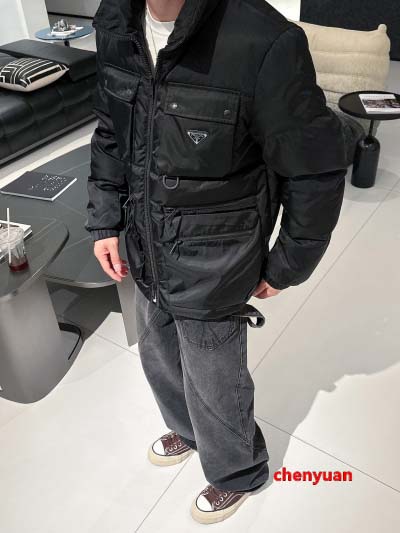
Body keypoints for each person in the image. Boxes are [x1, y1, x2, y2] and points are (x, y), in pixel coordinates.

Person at [86, 0, 347, 524]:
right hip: (143, 241)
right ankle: (186, 430)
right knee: (157, 351)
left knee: (214, 375)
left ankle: (237, 471)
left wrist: (287, 263)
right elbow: (111, 130)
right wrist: (105, 218)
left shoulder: (263, 40)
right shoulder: (114, 19)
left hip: (216, 256)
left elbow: (314, 167)